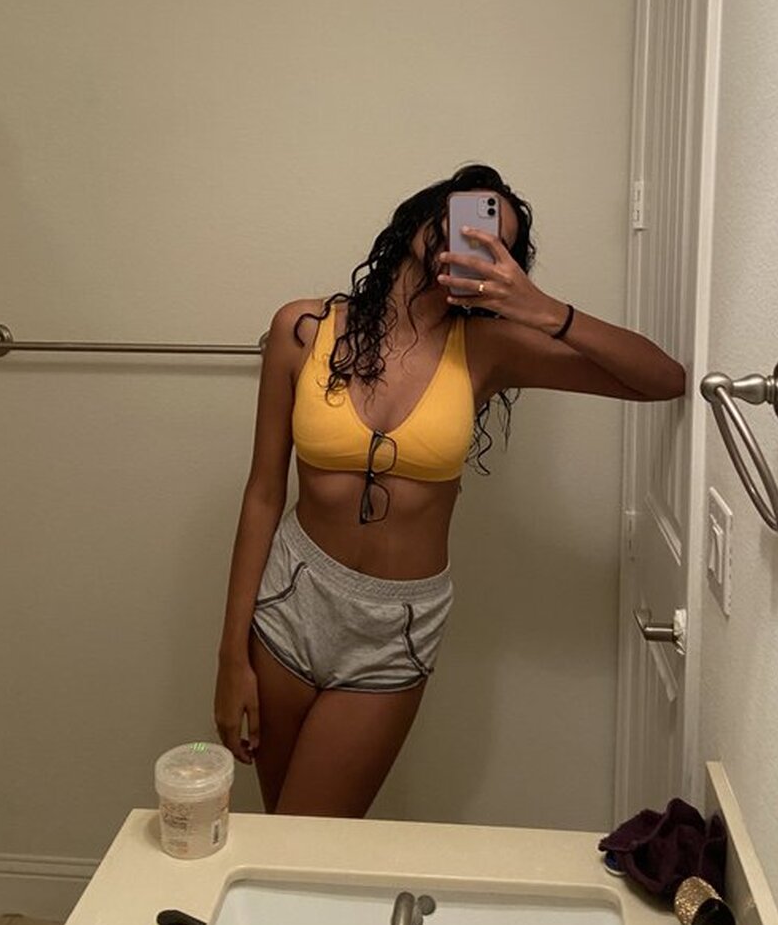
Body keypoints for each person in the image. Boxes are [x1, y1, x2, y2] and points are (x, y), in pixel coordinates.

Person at [213, 164, 685, 818]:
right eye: (464, 216)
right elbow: (263, 493)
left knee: (312, 832)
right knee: (281, 833)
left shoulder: (489, 348)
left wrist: (543, 309)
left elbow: (663, 379)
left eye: (493, 240)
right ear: (420, 217)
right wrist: (230, 656)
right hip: (289, 600)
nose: (469, 239)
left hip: (395, 625)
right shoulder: (303, 328)